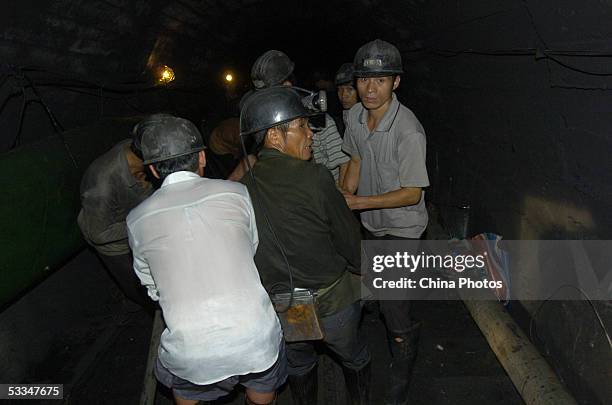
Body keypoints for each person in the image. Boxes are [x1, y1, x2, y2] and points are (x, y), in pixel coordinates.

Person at [126, 115, 285, 405]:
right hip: (255, 336)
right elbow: (250, 247)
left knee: (181, 378)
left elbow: (152, 286)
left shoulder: (136, 220)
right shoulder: (237, 192)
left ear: (152, 169)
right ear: (201, 157)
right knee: (263, 376)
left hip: (191, 350)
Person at [240, 86, 371, 405]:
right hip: (332, 303)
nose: (311, 134)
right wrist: (362, 272)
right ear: (274, 136)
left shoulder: (242, 190)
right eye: (301, 127)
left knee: (299, 360)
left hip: (286, 307)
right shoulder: (315, 177)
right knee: (354, 356)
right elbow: (348, 239)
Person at [342, 39, 430, 405]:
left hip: (403, 227)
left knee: (394, 303)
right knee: (370, 287)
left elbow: (412, 193)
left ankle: (402, 363)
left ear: (396, 82)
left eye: (381, 80)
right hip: (373, 223)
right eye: (364, 80)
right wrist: (342, 195)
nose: (371, 88)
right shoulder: (354, 117)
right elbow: (355, 159)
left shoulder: (408, 129)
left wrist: (358, 201)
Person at [77, 115, 160, 311]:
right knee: (139, 286)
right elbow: (99, 233)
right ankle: (151, 310)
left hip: (136, 222)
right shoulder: (102, 182)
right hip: (115, 245)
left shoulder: (136, 152)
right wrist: (144, 223)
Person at [250, 50, 349, 186]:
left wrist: (341, 198)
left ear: (288, 86)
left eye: (272, 93)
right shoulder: (265, 125)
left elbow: (344, 162)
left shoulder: (315, 117)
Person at [335, 62, 359, 135]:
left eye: (350, 89)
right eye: (340, 90)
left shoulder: (371, 117)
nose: (343, 95)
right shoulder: (344, 117)